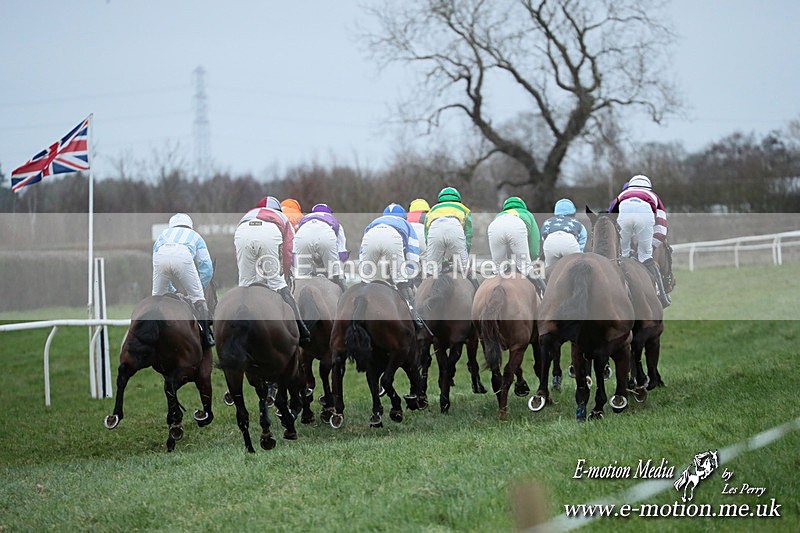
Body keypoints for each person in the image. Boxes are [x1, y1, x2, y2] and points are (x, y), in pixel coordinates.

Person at [234, 195, 311, 343]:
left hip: (242, 232)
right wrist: (284, 272)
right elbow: (288, 249)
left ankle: (235, 328)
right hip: (269, 233)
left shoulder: (249, 214)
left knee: (245, 285)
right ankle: (301, 329)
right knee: (278, 283)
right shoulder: (281, 217)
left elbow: (238, 251)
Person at [152, 213, 215, 347]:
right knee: (199, 300)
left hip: (160, 256)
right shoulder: (195, 236)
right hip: (183, 256)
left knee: (156, 301)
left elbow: (157, 265)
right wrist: (199, 288)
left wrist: (172, 290)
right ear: (190, 225)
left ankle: (151, 336)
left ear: (171, 226)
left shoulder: (162, 235)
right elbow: (207, 267)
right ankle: (206, 337)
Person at [609, 174, 671, 307]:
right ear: (649, 187)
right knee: (646, 257)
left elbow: (609, 220)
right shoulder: (653, 196)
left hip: (623, 216)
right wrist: (651, 247)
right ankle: (662, 294)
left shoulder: (622, 195)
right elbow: (661, 229)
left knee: (622, 257)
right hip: (645, 216)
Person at [360, 203, 424, 329]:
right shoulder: (406, 224)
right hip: (392, 238)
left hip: (370, 236)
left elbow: (363, 248)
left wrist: (364, 271)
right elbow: (412, 252)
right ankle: (414, 318)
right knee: (402, 281)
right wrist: (408, 277)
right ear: (404, 217)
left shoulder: (375, 221)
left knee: (365, 282)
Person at [487, 196, 547, 297]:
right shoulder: (527, 214)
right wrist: (532, 261)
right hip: (516, 225)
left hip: (495, 225)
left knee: (498, 269)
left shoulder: (499, 215)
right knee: (526, 268)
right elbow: (534, 244)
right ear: (522, 206)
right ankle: (543, 295)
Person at [424, 186, 476, 287]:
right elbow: (468, 235)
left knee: (431, 271)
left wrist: (441, 260)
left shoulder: (432, 210)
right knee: (465, 270)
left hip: (434, 231)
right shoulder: (463, 209)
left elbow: (427, 238)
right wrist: (465, 256)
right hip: (455, 228)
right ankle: (477, 292)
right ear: (458, 199)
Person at [294, 203, 349, 291]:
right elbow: (342, 252)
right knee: (336, 275)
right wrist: (339, 269)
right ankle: (345, 294)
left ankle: (291, 297)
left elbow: (294, 254)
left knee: (301, 278)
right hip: (326, 235)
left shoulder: (306, 218)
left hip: (303, 233)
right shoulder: (333, 220)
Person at [540, 198, 588, 268]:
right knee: (575, 269)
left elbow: (544, 237)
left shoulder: (547, 222)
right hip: (570, 243)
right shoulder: (578, 224)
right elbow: (582, 240)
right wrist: (579, 255)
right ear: (573, 213)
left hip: (551, 242)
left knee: (549, 270)